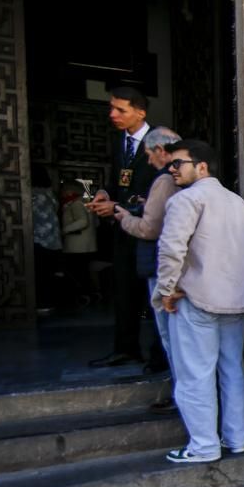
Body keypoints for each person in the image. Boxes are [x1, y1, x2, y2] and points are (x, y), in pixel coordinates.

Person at [156, 140, 244, 463]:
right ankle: (237, 440)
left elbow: (170, 248)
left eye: (178, 163)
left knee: (195, 373)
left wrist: (166, 289)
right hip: (236, 301)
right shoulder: (238, 203)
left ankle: (204, 445)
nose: (172, 170)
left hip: (198, 299)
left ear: (201, 166)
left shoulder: (186, 200)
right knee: (232, 370)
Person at [85, 87, 159, 369]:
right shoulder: (119, 143)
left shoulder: (160, 142)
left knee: (154, 295)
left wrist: (118, 204)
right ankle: (126, 348)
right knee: (124, 292)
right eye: (112, 108)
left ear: (140, 112)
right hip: (122, 230)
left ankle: (159, 356)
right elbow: (116, 179)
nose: (112, 114)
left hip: (150, 230)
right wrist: (104, 193)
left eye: (121, 110)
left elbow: (161, 192)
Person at [114, 126, 182, 405]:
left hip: (161, 267)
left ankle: (181, 396)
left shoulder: (165, 180)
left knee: (171, 337)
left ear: (160, 151)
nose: (149, 161)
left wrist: (123, 218)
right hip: (176, 269)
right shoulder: (179, 181)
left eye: (149, 155)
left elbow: (150, 229)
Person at [60, 180, 98, 303]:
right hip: (87, 245)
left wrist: (64, 230)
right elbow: (96, 223)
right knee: (85, 271)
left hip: (76, 245)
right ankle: (92, 294)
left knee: (78, 272)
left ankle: (83, 295)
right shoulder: (87, 203)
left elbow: (83, 221)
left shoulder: (76, 203)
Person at [30, 167, 62, 312]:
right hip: (53, 240)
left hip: (39, 239)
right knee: (48, 273)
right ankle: (48, 302)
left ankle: (43, 303)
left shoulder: (35, 196)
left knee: (40, 274)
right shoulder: (51, 195)